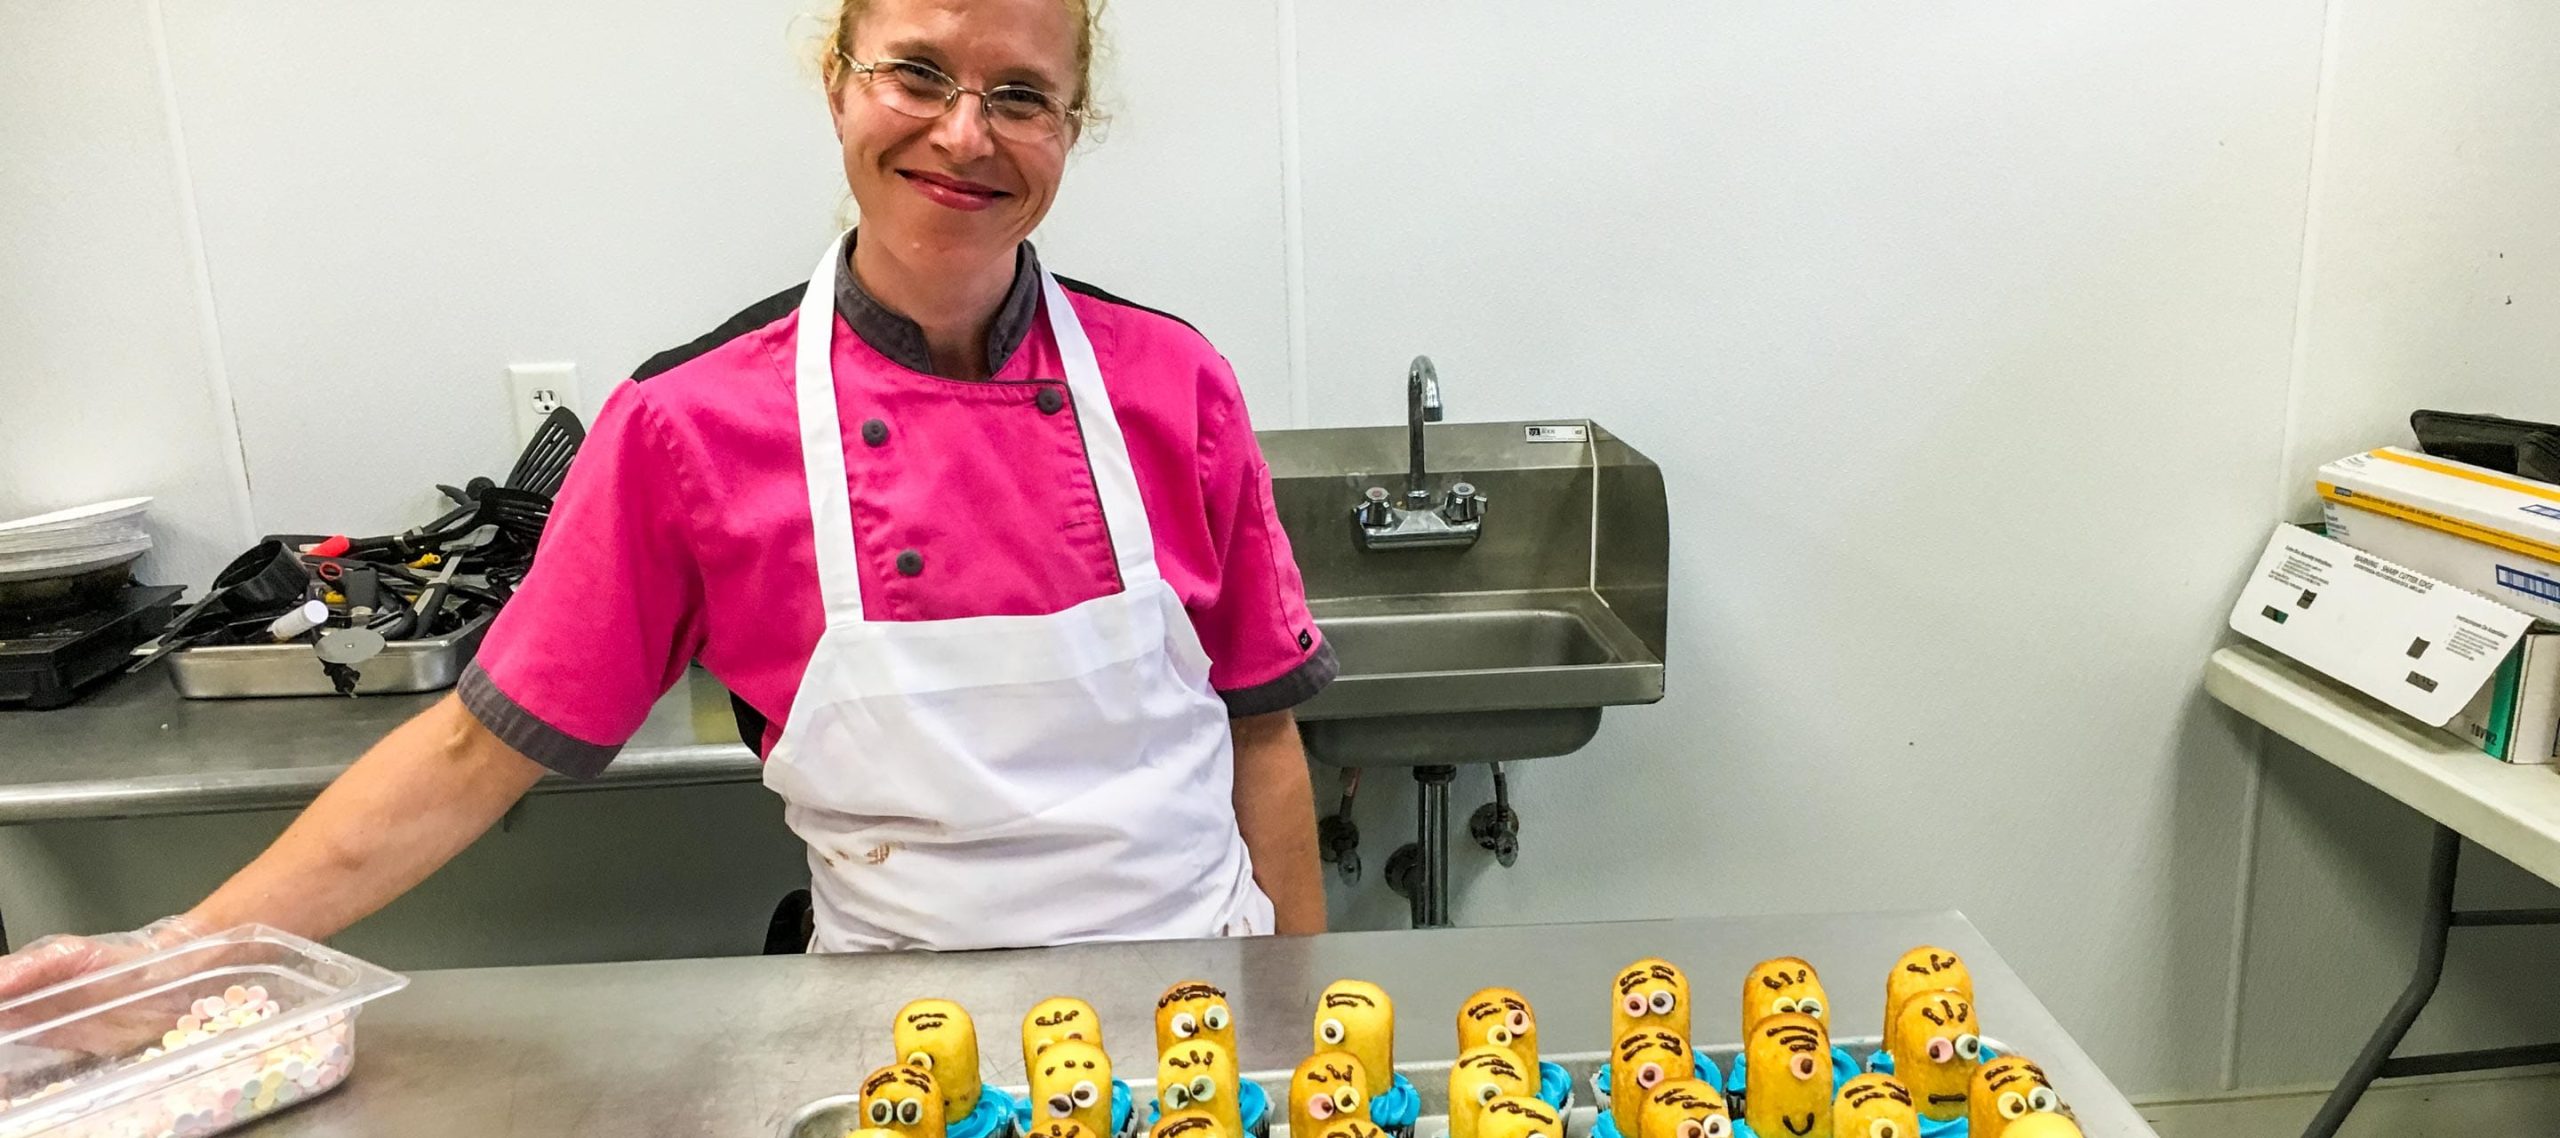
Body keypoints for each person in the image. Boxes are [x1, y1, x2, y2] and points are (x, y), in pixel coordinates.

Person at [0, 0, 1330, 991]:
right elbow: (472, 756)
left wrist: (1296, 1029)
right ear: (839, 83)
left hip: (1195, 1015)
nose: (963, 135)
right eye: (917, 73)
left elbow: (1264, 742)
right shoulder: (689, 427)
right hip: (897, 1032)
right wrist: (175, 958)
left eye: (1021, 96)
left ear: (1071, 129)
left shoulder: (1175, 384)